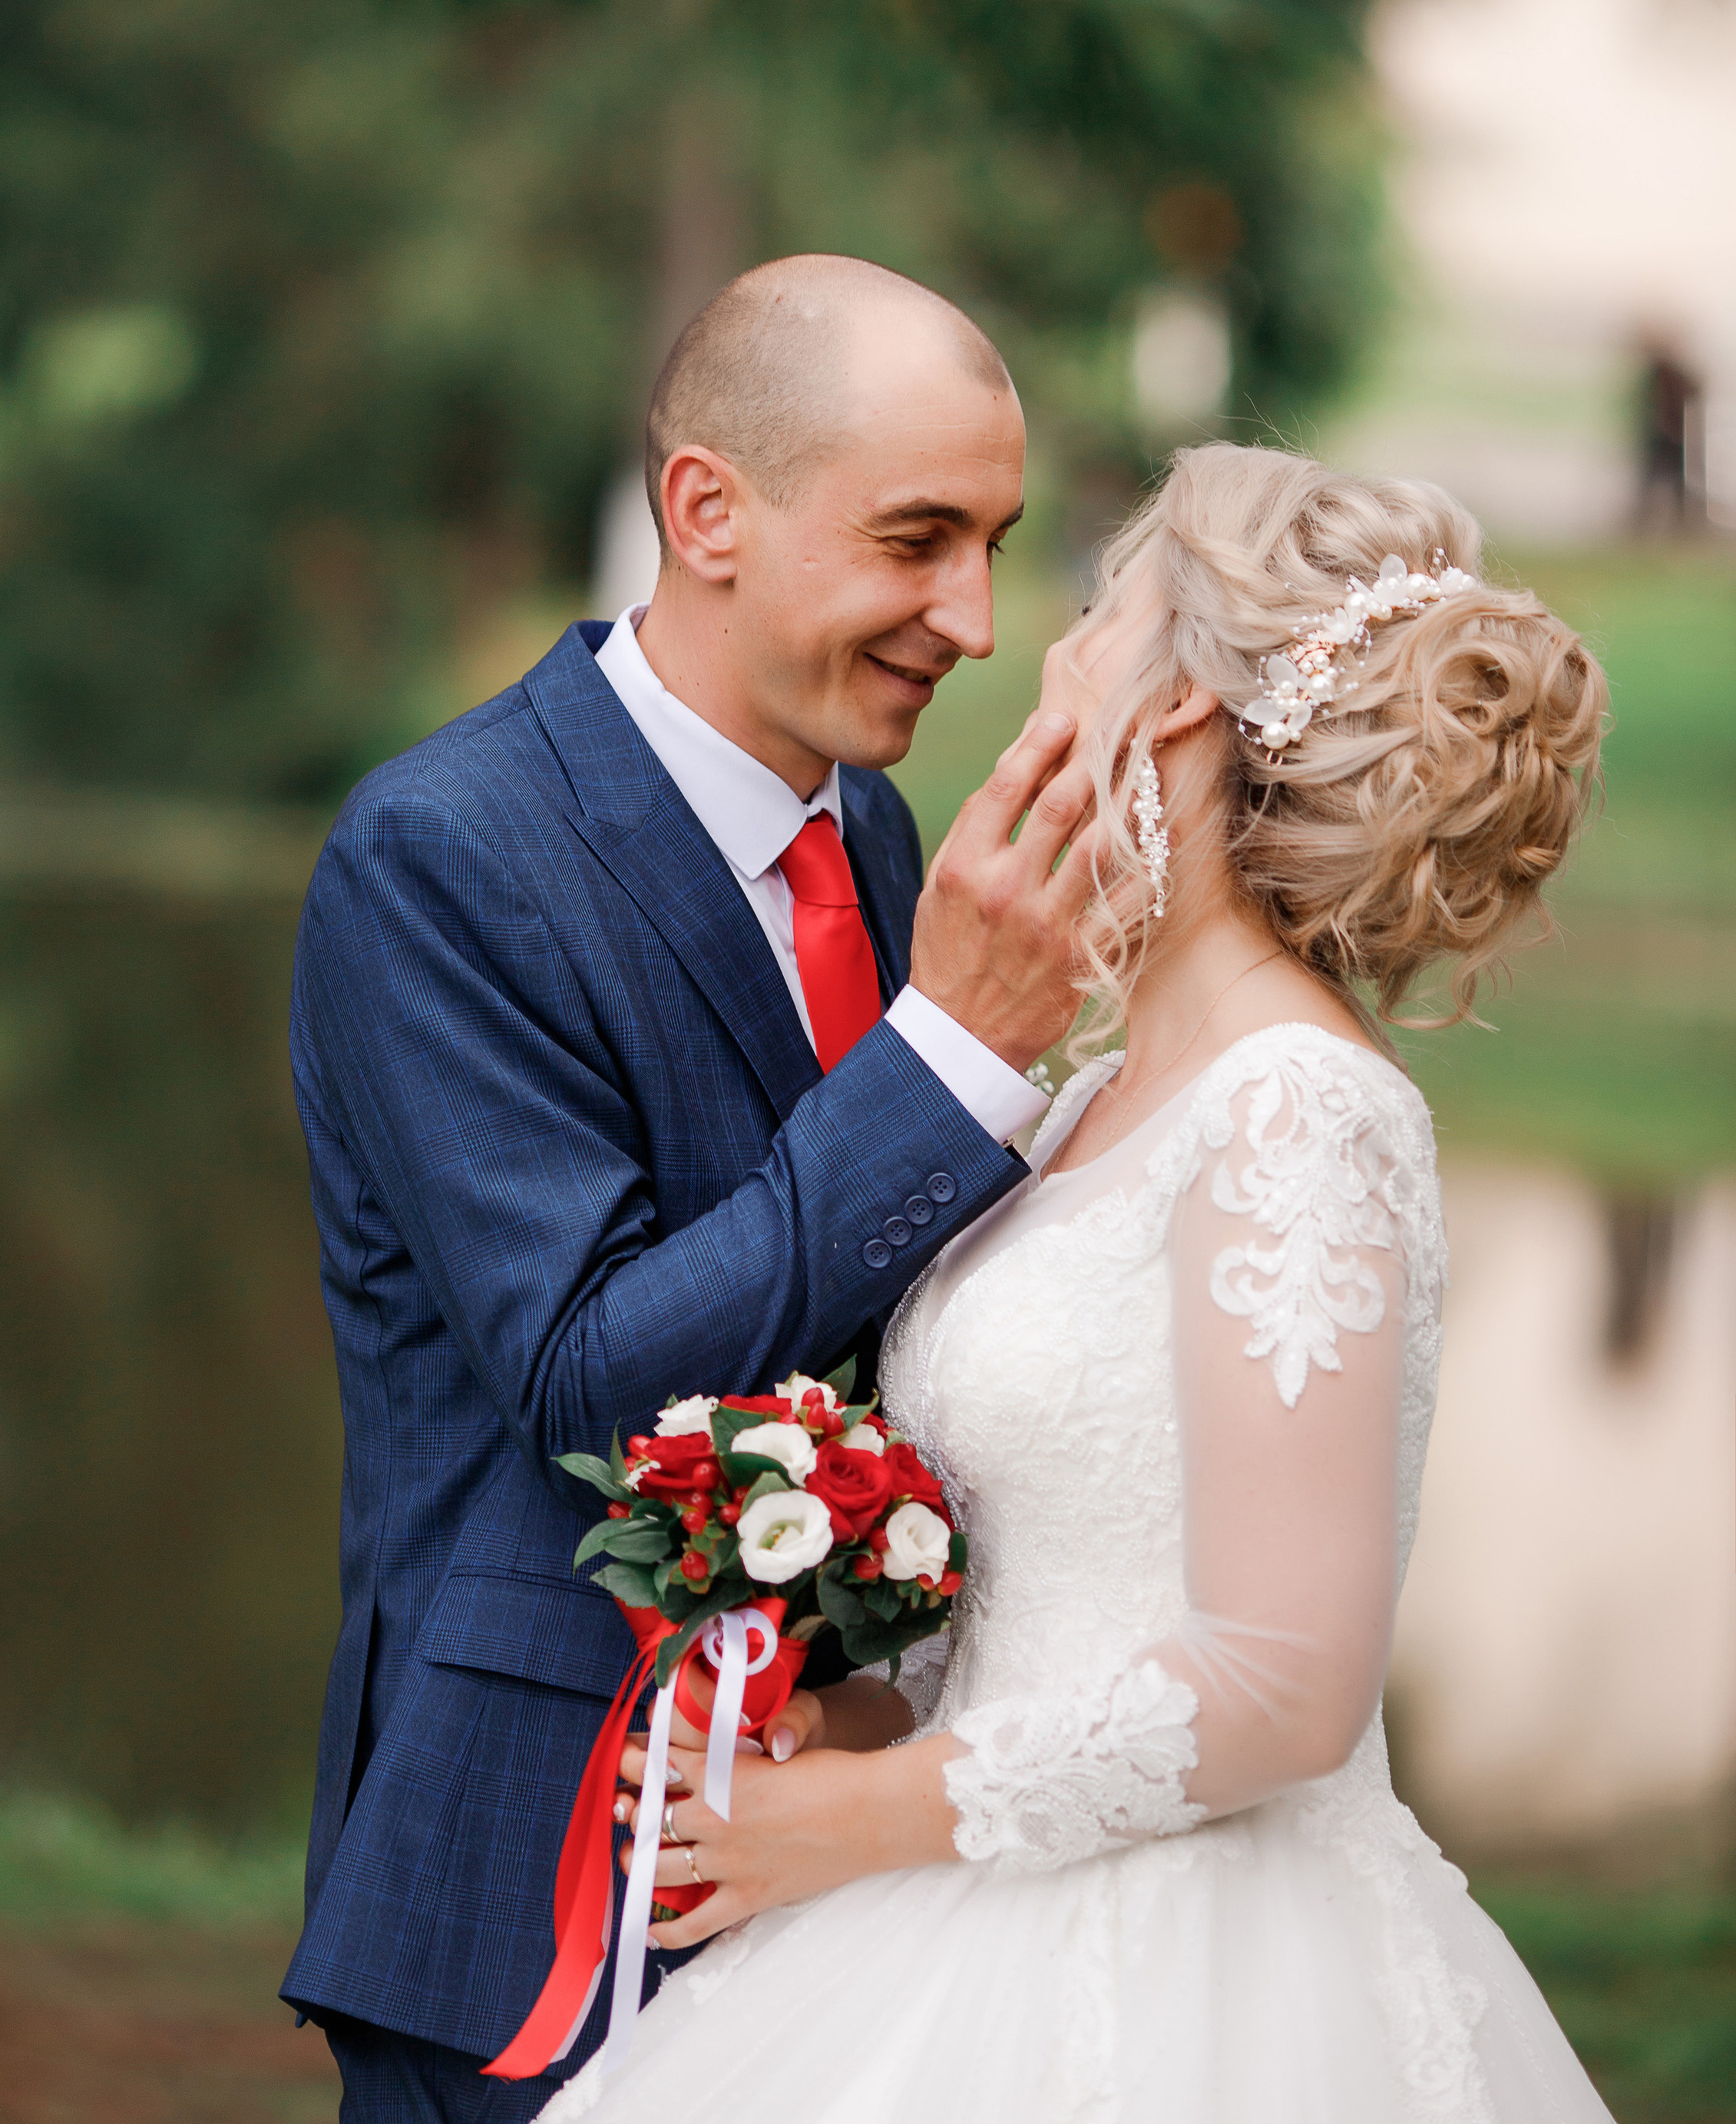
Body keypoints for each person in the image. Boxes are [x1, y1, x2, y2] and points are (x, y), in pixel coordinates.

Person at [563, 442, 1614, 2124]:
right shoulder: (1076, 1097)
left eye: (1093, 613)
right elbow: (1067, 1557)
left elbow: (1282, 1684)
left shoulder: (1296, 1110)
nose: (1039, 655)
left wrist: (857, 1821)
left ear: (1180, 701)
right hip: (948, 1894)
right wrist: (855, 1713)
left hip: (1194, 1974)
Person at [282, 256, 1116, 2118]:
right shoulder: (441, 856)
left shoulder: (876, 835)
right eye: (917, 541)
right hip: (537, 1846)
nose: (971, 617)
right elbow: (592, 1377)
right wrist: (952, 1060)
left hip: (834, 1840)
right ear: (706, 509)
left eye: (993, 542)